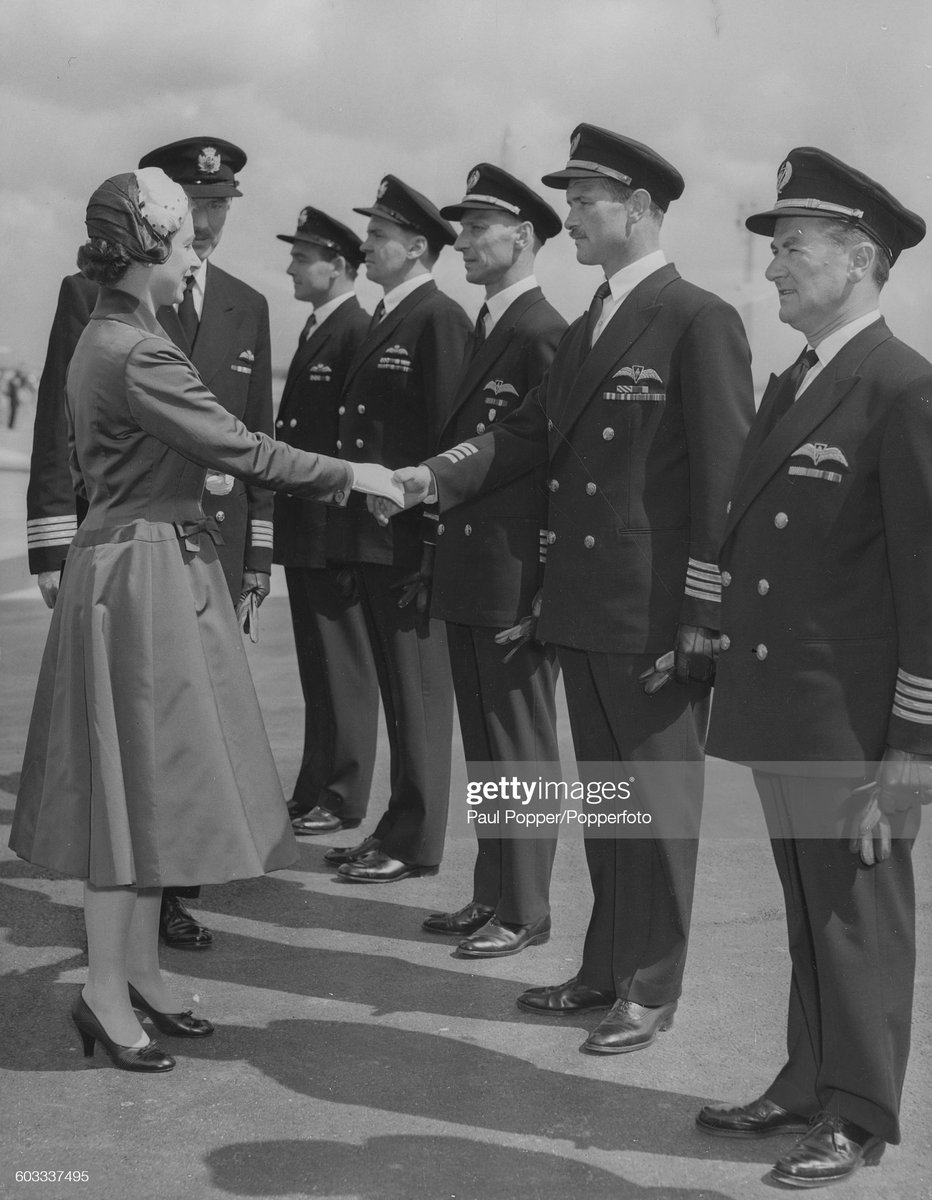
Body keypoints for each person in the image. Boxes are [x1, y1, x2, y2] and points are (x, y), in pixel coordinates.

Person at [9, 168, 393, 1073]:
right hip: (142, 576)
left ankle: (135, 967)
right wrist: (359, 475)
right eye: (184, 246)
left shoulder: (114, 331)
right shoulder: (136, 350)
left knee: (147, 793)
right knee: (129, 796)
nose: (195, 261)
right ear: (146, 253)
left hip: (144, 566)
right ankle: (104, 992)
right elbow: (240, 446)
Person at [379, 125, 754, 1050]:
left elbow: (723, 484)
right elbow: (527, 438)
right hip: (583, 609)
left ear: (641, 210)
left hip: (654, 619)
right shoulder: (591, 322)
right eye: (573, 199)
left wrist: (704, 620)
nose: (574, 215)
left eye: (586, 200)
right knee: (613, 809)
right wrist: (435, 476)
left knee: (658, 813)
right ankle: (603, 968)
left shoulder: (697, 318)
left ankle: (652, 987)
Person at [695, 147, 930, 1189]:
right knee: (804, 912)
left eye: (791, 251)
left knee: (854, 922)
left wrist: (911, 750)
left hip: (851, 719)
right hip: (789, 703)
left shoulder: (900, 389)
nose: (773, 272)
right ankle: (805, 1079)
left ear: (860, 258)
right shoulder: (797, 376)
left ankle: (859, 1110)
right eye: (775, 253)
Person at [25, 136, 273, 951]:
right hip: (141, 555)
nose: (206, 224)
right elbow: (62, 431)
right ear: (154, 229)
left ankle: (154, 932)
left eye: (219, 206)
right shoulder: (100, 308)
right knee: (144, 756)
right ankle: (122, 967)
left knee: (178, 759)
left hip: (201, 555)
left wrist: (256, 560)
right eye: (193, 207)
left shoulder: (246, 303)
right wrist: (53, 543)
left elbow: (251, 430)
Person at [420, 164, 566, 957]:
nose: (463, 242)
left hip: (514, 575)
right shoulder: (489, 328)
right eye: (463, 227)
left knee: (520, 747)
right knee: (486, 749)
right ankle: (493, 893)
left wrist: (544, 583)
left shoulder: (543, 333)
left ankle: (527, 908)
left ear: (524, 236)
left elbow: (559, 469)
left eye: (479, 228)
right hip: (474, 567)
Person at [322, 175, 472, 883]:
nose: (367, 247)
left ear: (417, 246)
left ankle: (415, 839)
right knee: (397, 696)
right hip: (375, 538)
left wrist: (435, 548)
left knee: (418, 702)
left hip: (411, 545)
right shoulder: (389, 317)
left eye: (379, 237)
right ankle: (395, 825)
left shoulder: (438, 320)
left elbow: (451, 437)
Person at [272, 206, 379, 835]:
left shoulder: (354, 331)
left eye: (300, 255)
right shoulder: (322, 328)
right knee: (317, 667)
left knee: (343, 667)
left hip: (332, 528)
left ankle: (343, 794)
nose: (289, 265)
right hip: (305, 526)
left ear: (337, 265)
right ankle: (315, 785)